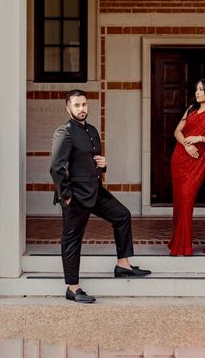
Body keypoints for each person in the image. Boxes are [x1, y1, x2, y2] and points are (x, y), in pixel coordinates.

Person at [50, 89, 151, 303]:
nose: (82, 109)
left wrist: (102, 165)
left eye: (84, 104)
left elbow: (91, 159)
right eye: (77, 105)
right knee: (72, 240)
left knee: (122, 215)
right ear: (68, 108)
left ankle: (122, 265)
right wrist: (66, 197)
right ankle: (72, 287)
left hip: (95, 190)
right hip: (76, 196)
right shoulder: (64, 132)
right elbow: (56, 168)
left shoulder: (92, 130)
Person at [168, 78, 205, 265]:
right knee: (180, 203)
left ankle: (182, 245)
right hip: (180, 158)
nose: (197, 92)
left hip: (198, 162)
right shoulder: (191, 109)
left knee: (187, 200)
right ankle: (179, 245)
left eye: (201, 89)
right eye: (196, 89)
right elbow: (177, 131)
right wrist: (186, 144)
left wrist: (199, 138)